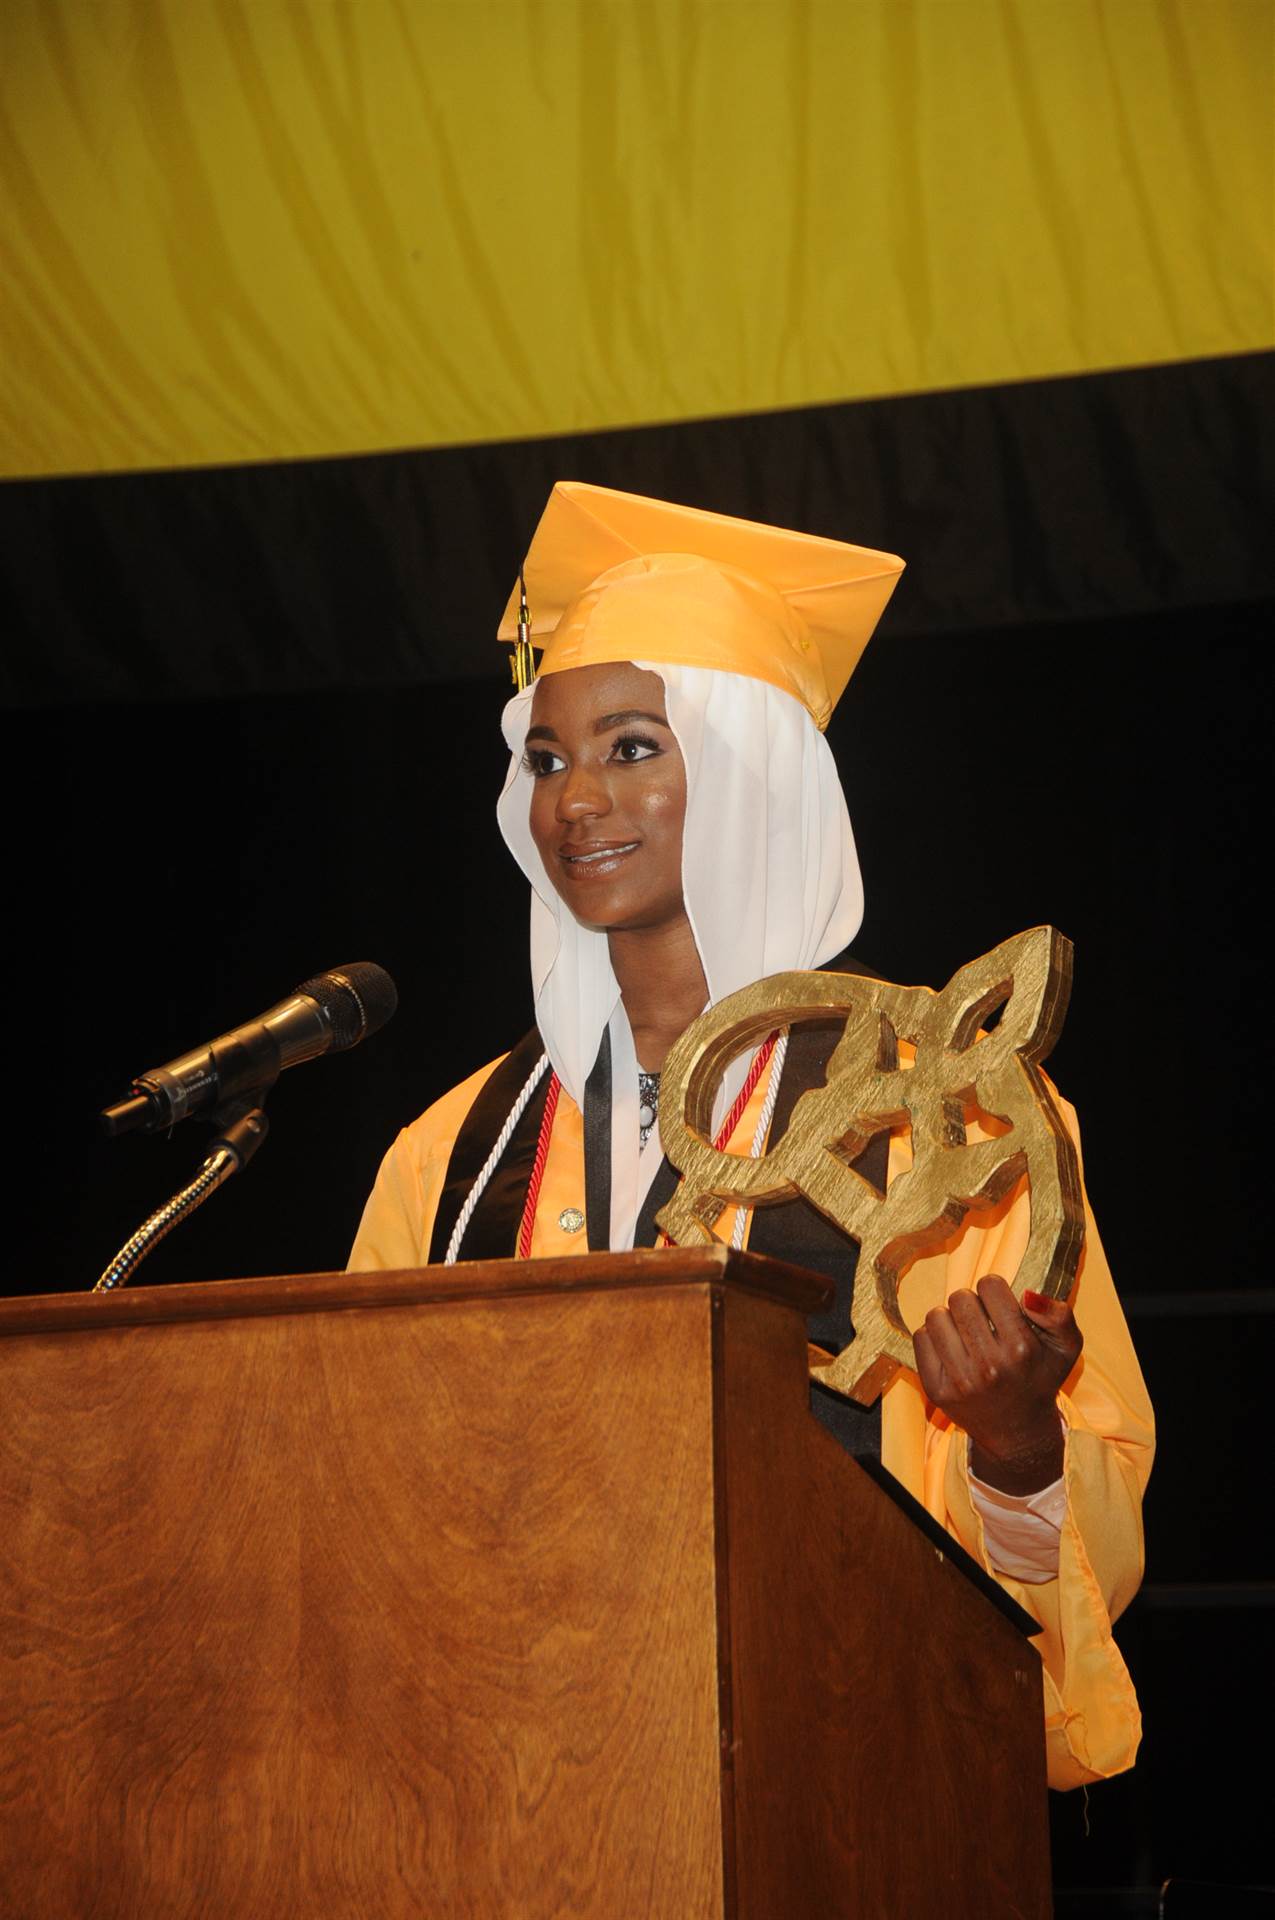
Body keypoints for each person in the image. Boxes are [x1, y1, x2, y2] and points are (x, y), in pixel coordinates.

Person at [349, 481, 1154, 1791]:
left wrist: (1016, 1449)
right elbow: (353, 1512)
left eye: (632, 746)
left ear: (753, 775)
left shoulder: (948, 1118)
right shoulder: (451, 1156)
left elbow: (1064, 1592)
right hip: (506, 1796)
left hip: (836, 1789)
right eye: (547, 758)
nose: (574, 802)